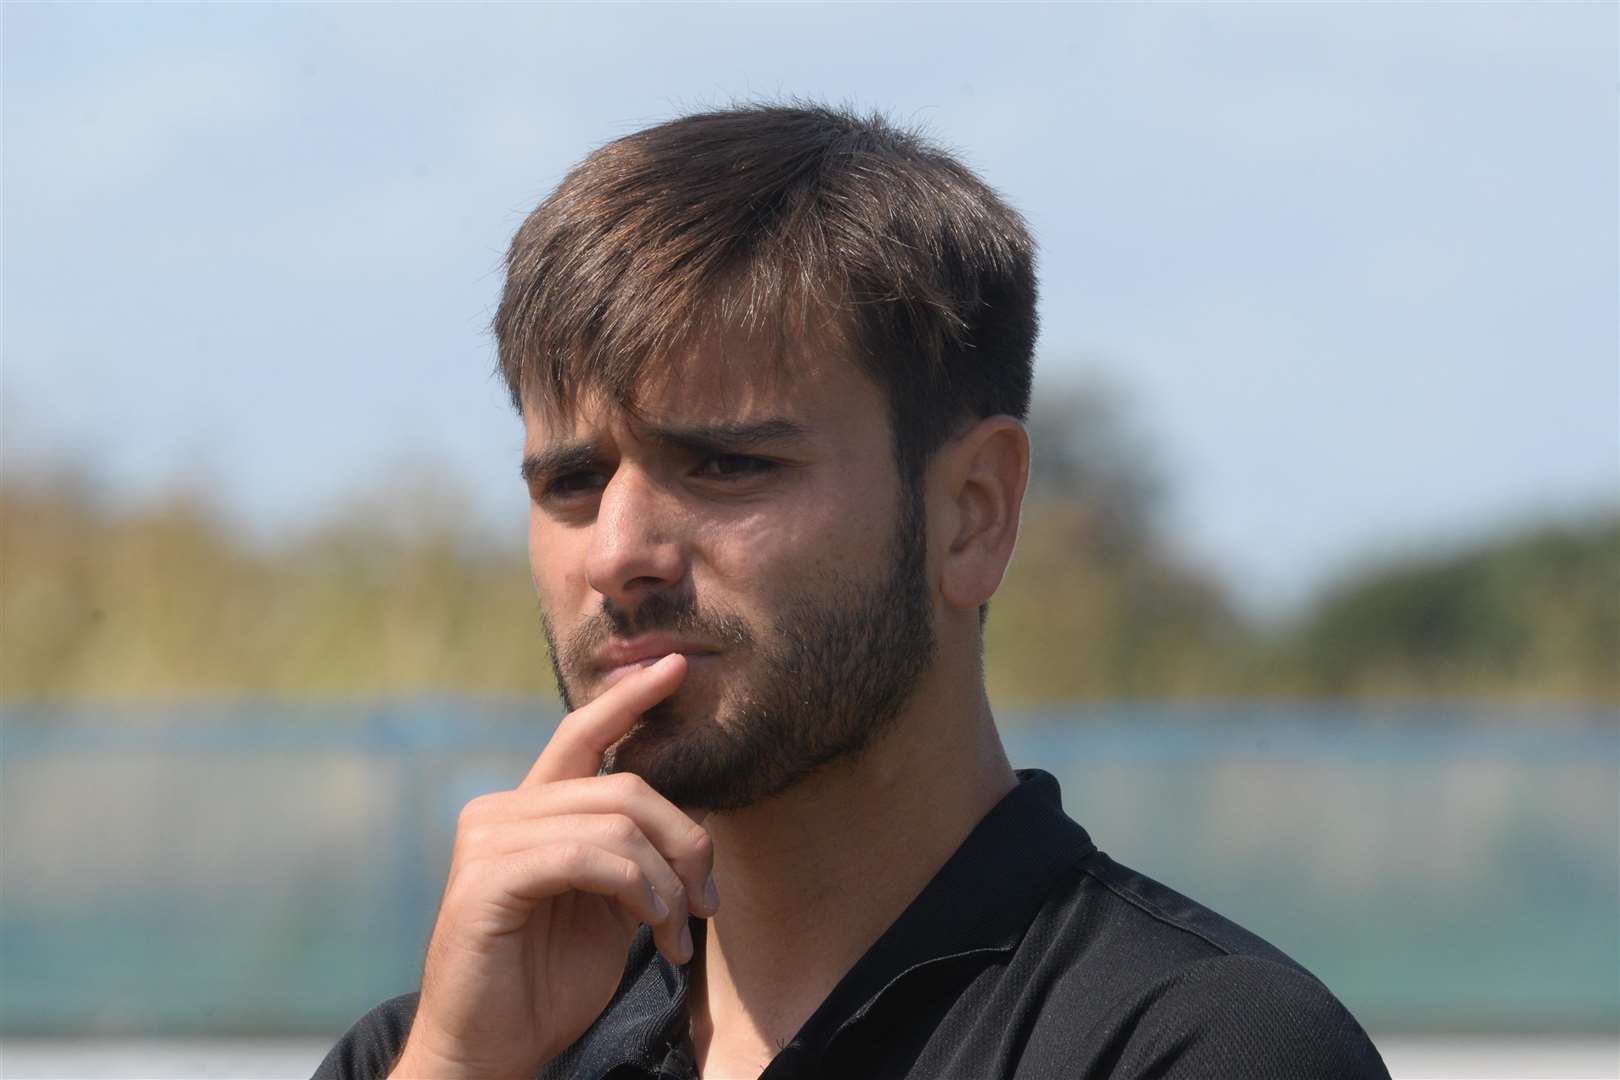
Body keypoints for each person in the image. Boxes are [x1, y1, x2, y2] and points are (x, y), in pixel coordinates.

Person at [314, 103, 1389, 1080]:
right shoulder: (433, 1052)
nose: (616, 554)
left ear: (973, 512)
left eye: (727, 465)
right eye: (571, 482)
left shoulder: (1197, 1049)